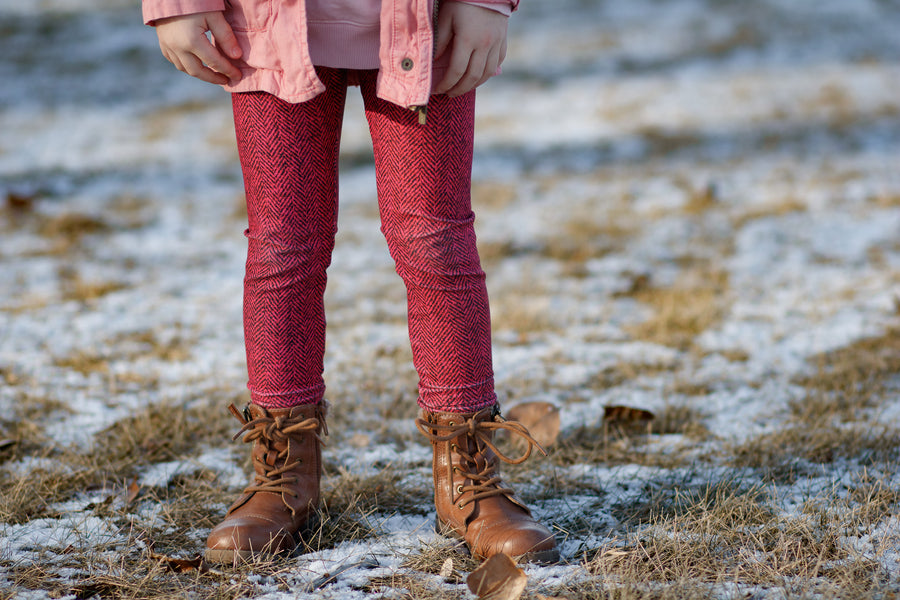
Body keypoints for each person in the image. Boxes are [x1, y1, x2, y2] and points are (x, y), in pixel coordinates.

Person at [142, 0, 558, 566]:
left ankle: (465, 467)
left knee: (437, 243)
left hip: (430, 27)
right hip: (267, 29)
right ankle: (283, 472)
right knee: (281, 247)